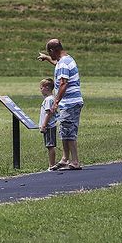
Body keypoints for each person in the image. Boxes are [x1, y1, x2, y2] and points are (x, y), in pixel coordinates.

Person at [37, 39, 84, 170]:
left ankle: (74, 161)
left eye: (49, 52)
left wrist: (56, 102)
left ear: (53, 50)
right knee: (65, 130)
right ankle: (65, 159)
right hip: (70, 102)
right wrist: (46, 58)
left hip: (69, 102)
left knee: (69, 131)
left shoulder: (63, 63)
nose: (50, 55)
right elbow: (57, 64)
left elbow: (64, 83)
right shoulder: (65, 60)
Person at [38, 78, 59, 170]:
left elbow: (49, 113)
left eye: (41, 88)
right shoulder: (51, 99)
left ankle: (52, 165)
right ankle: (51, 164)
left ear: (46, 88)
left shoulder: (49, 100)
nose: (40, 90)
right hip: (49, 126)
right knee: (49, 145)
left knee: (50, 146)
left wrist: (44, 125)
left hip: (49, 126)